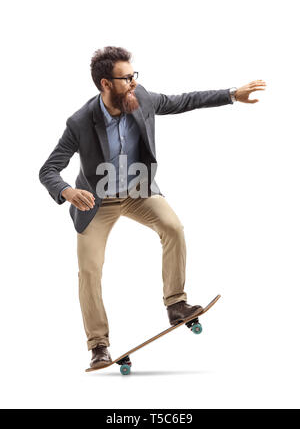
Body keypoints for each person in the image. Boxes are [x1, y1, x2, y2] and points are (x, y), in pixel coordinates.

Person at [39, 46, 266, 369]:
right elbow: (48, 169)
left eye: (134, 76)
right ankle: (98, 345)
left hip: (138, 191)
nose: (133, 82)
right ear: (106, 84)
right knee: (90, 271)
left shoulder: (142, 98)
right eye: (126, 78)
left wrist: (231, 94)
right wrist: (68, 191)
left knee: (172, 227)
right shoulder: (80, 122)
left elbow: (185, 100)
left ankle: (176, 304)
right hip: (97, 201)